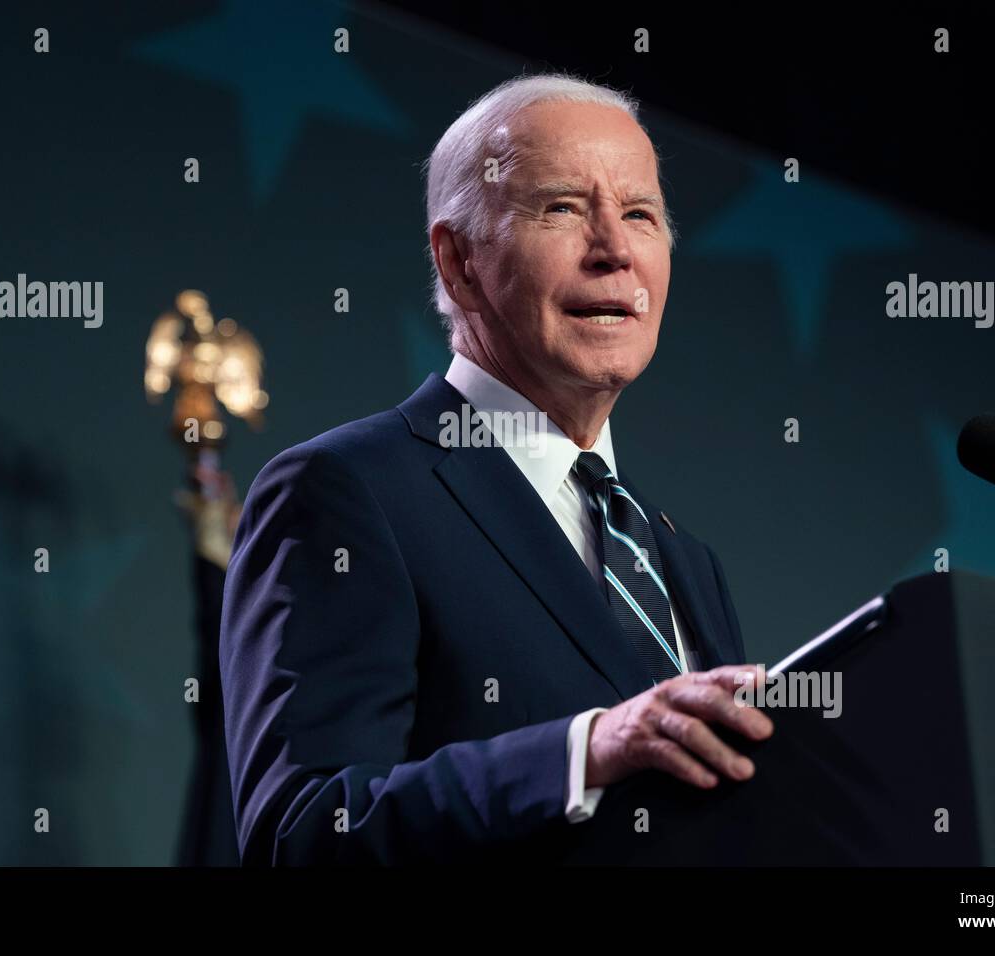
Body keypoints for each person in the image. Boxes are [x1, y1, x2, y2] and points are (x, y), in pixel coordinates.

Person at [220, 72, 773, 865]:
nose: (616, 250)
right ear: (459, 262)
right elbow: (304, 831)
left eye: (641, 215)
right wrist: (585, 751)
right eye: (561, 209)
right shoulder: (347, 491)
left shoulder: (682, 559)